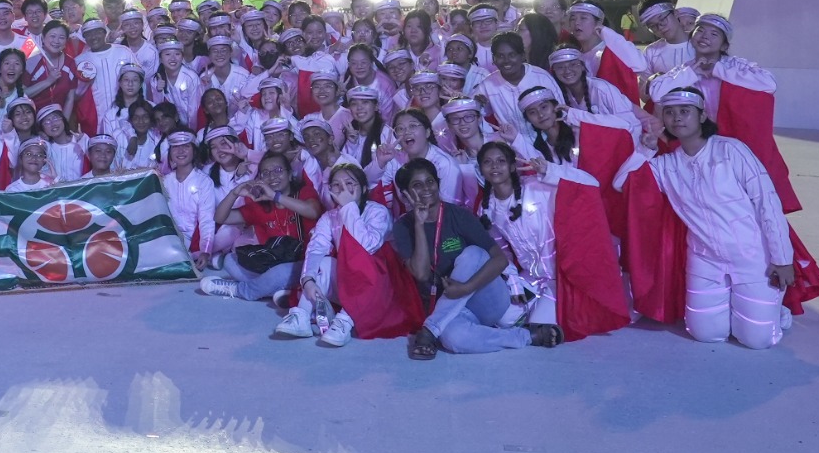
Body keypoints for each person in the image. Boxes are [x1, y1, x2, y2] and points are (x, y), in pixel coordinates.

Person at [615, 87, 801, 349]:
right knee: (706, 334)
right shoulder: (666, 165)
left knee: (756, 340)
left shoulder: (732, 150)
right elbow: (622, 183)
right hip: (704, 259)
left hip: (751, 255)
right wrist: (645, 150)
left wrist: (782, 259)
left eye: (685, 111)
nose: (677, 118)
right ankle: (746, 308)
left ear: (702, 116)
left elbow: (767, 204)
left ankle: (776, 311)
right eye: (670, 113)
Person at [392, 157, 563, 358]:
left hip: (486, 298)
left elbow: (499, 259)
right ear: (406, 193)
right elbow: (421, 273)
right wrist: (419, 224)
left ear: (438, 183)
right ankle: (527, 335)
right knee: (453, 339)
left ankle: (429, 330)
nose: (426, 189)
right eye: (417, 185)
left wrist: (467, 287)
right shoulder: (403, 226)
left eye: (430, 181)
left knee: (472, 254)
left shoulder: (458, 215)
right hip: (450, 309)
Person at [476, 141, 629, 341]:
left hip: (560, 277)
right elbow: (500, 252)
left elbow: (590, 183)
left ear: (513, 166)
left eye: (501, 161)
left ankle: (544, 313)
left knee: (542, 325)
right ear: (481, 169)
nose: (494, 166)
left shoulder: (538, 187)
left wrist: (550, 169)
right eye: (487, 162)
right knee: (504, 320)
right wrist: (513, 282)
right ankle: (535, 312)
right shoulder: (486, 208)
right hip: (529, 277)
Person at [647, 14, 797, 213]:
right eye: (700, 30)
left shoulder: (735, 66)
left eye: (714, 34)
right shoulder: (685, 69)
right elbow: (656, 91)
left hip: (733, 144)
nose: (704, 36)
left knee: (741, 203)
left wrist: (718, 70)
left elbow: (769, 84)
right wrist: (693, 73)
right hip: (699, 146)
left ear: (724, 46)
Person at [272, 162, 414, 346]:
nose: (343, 189)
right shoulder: (329, 217)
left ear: (363, 189)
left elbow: (366, 247)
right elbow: (316, 249)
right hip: (352, 281)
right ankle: (302, 316)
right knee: (322, 263)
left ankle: (344, 321)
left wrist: (349, 208)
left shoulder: (378, 212)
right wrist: (308, 280)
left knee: (369, 263)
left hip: (381, 287)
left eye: (349, 184)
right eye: (336, 185)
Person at [200, 151, 322, 302]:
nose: (272, 177)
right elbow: (220, 218)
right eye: (265, 173)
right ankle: (282, 290)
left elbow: (313, 211)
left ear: (290, 175)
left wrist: (275, 196)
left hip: (304, 264)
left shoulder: (304, 192)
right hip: (272, 261)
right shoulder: (260, 205)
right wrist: (235, 192)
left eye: (278, 171)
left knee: (280, 273)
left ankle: (242, 290)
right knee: (230, 261)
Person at [160, 131, 215, 270]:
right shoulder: (165, 181)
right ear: (170, 152)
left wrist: (205, 251)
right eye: (175, 147)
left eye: (186, 146)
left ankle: (201, 255)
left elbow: (206, 219)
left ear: (194, 151)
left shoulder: (204, 182)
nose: (180, 151)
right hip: (171, 238)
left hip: (194, 239)